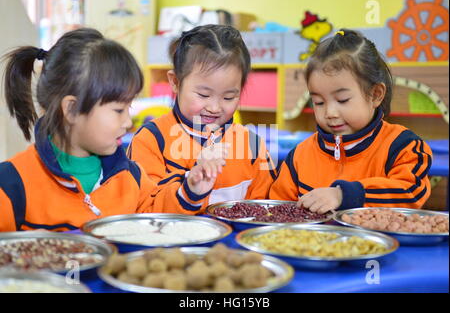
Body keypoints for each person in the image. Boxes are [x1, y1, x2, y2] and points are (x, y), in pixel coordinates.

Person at [0, 28, 225, 232]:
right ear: (71, 109)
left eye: (129, 108)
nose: (128, 122)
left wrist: (191, 190)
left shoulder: (130, 176)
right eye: (119, 110)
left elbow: (157, 218)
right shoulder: (11, 185)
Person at [270, 29, 432, 213]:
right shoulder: (300, 156)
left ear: (375, 95)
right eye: (319, 102)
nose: (330, 112)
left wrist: (344, 195)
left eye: (342, 100)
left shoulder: (404, 146)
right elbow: (279, 210)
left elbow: (410, 192)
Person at [128, 24, 277, 207]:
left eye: (229, 97)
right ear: (175, 82)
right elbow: (143, 208)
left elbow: (268, 208)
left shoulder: (252, 144)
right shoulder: (150, 140)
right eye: (203, 95)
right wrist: (189, 189)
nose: (215, 107)